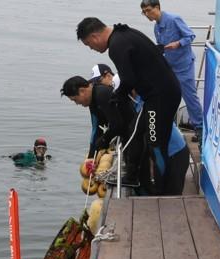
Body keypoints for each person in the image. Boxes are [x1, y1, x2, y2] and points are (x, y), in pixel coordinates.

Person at [76, 17, 182, 194]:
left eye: (89, 45)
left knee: (155, 144)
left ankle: (163, 191)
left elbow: (128, 79)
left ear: (94, 36)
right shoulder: (123, 34)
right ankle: (133, 177)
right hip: (157, 95)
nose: (92, 49)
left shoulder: (117, 45)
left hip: (161, 97)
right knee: (135, 129)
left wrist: (117, 95)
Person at [90, 63, 189, 194]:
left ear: (130, 90)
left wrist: (131, 172)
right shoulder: (138, 104)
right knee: (161, 196)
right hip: (163, 155)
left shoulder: (146, 105)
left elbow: (136, 134)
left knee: (170, 198)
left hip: (174, 154)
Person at [140, 0, 204, 142]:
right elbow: (161, 46)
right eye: (144, 12)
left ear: (157, 7)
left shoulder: (174, 19)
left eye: (148, 10)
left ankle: (200, 129)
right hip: (169, 67)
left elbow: (190, 36)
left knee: (190, 97)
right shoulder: (156, 27)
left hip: (183, 66)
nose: (146, 14)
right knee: (167, 96)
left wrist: (177, 43)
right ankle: (170, 127)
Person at [60, 76, 140, 187]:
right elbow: (97, 128)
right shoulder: (93, 100)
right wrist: (92, 157)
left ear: (82, 91)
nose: (77, 103)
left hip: (134, 133)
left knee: (137, 175)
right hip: (126, 135)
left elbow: (117, 124)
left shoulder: (102, 94)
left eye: (75, 99)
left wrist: (104, 139)